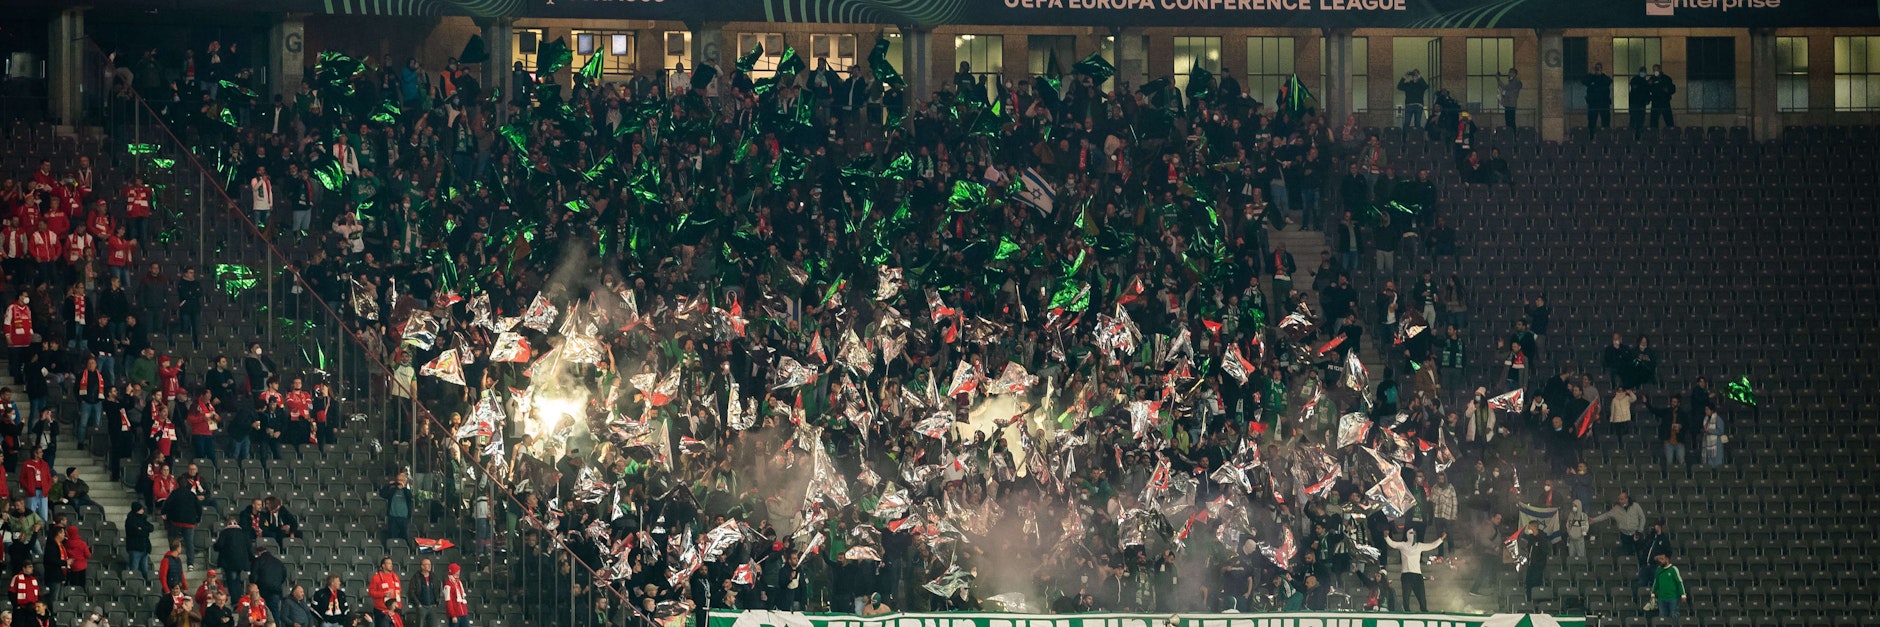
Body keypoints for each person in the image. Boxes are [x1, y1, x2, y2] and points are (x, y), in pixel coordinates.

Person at [1384, 530, 1444, 612]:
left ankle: (1424, 611)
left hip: (1417, 575)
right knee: (1406, 598)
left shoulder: (1419, 546)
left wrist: (1441, 539)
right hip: (1406, 575)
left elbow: (1432, 545)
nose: (1413, 535)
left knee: (1422, 597)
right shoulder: (1403, 545)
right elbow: (1392, 543)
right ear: (1408, 535)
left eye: (1414, 533)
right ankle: (1407, 613)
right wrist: (1386, 537)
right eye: (1411, 533)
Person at [379, 471, 414, 543]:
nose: (400, 482)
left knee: (404, 538)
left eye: (402, 480)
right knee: (392, 538)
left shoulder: (407, 491)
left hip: (404, 519)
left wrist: (403, 487)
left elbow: (410, 497)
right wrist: (389, 485)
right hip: (393, 518)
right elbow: (382, 494)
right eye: (398, 480)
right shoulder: (392, 491)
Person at [368, 557, 402, 627]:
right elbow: (371, 592)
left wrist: (399, 605)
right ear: (383, 565)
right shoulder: (376, 577)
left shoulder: (395, 577)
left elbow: (399, 592)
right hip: (381, 611)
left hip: (395, 610)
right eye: (389, 563)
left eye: (391, 563)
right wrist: (383, 594)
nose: (391, 565)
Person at [1583, 62, 1613, 138]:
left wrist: (1602, 74)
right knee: (1592, 122)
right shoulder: (1591, 78)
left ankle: (1606, 138)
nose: (1597, 70)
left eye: (1598, 68)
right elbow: (1584, 81)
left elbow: (1609, 81)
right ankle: (1591, 137)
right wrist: (1591, 74)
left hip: (1604, 103)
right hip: (1593, 103)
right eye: (1596, 68)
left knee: (1605, 122)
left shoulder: (1604, 78)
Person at [409, 558, 442, 627]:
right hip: (422, 606)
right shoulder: (416, 577)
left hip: (432, 606)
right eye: (427, 564)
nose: (430, 566)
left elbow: (438, 589)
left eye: (430, 564)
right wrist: (418, 604)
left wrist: (437, 602)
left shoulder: (434, 577)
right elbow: (411, 592)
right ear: (422, 566)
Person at [1652, 552, 1686, 618]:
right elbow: (1656, 582)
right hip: (1661, 598)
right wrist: (1653, 593)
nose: (1660, 561)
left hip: (1673, 598)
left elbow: (1679, 582)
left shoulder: (1673, 569)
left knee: (1674, 615)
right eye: (1659, 559)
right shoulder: (1658, 570)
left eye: (1661, 559)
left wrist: (1683, 595)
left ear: (1667, 559)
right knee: (1663, 617)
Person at [125, 502, 154, 580]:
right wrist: (144, 530)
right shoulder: (130, 520)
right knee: (134, 569)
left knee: (145, 570)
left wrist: (142, 528)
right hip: (135, 548)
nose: (143, 510)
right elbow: (136, 532)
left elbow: (151, 527)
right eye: (141, 509)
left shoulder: (143, 518)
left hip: (144, 548)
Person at [1397, 70, 1429, 135]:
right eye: (1413, 75)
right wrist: (1404, 77)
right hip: (1409, 105)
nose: (1414, 77)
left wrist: (1419, 77)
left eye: (1416, 75)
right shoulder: (1408, 84)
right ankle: (1405, 139)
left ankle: (1417, 138)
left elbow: (1426, 86)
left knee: (1417, 123)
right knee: (1406, 123)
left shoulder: (1421, 85)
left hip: (1418, 105)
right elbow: (1399, 86)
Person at [1648, 64, 1677, 128]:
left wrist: (1668, 90)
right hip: (1655, 102)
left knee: (1669, 121)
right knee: (1653, 122)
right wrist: (1649, 85)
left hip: (1665, 102)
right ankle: (1654, 135)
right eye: (1654, 70)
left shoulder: (1667, 79)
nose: (1655, 71)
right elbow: (1648, 89)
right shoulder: (1652, 79)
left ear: (1660, 70)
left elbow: (1673, 89)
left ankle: (1671, 135)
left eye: (1656, 69)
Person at [1627, 66, 1653, 137]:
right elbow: (1638, 90)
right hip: (1635, 104)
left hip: (1641, 104)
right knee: (1634, 121)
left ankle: (1638, 137)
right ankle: (1632, 137)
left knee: (1640, 122)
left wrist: (1648, 100)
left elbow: (1647, 92)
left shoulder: (1644, 82)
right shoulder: (1635, 80)